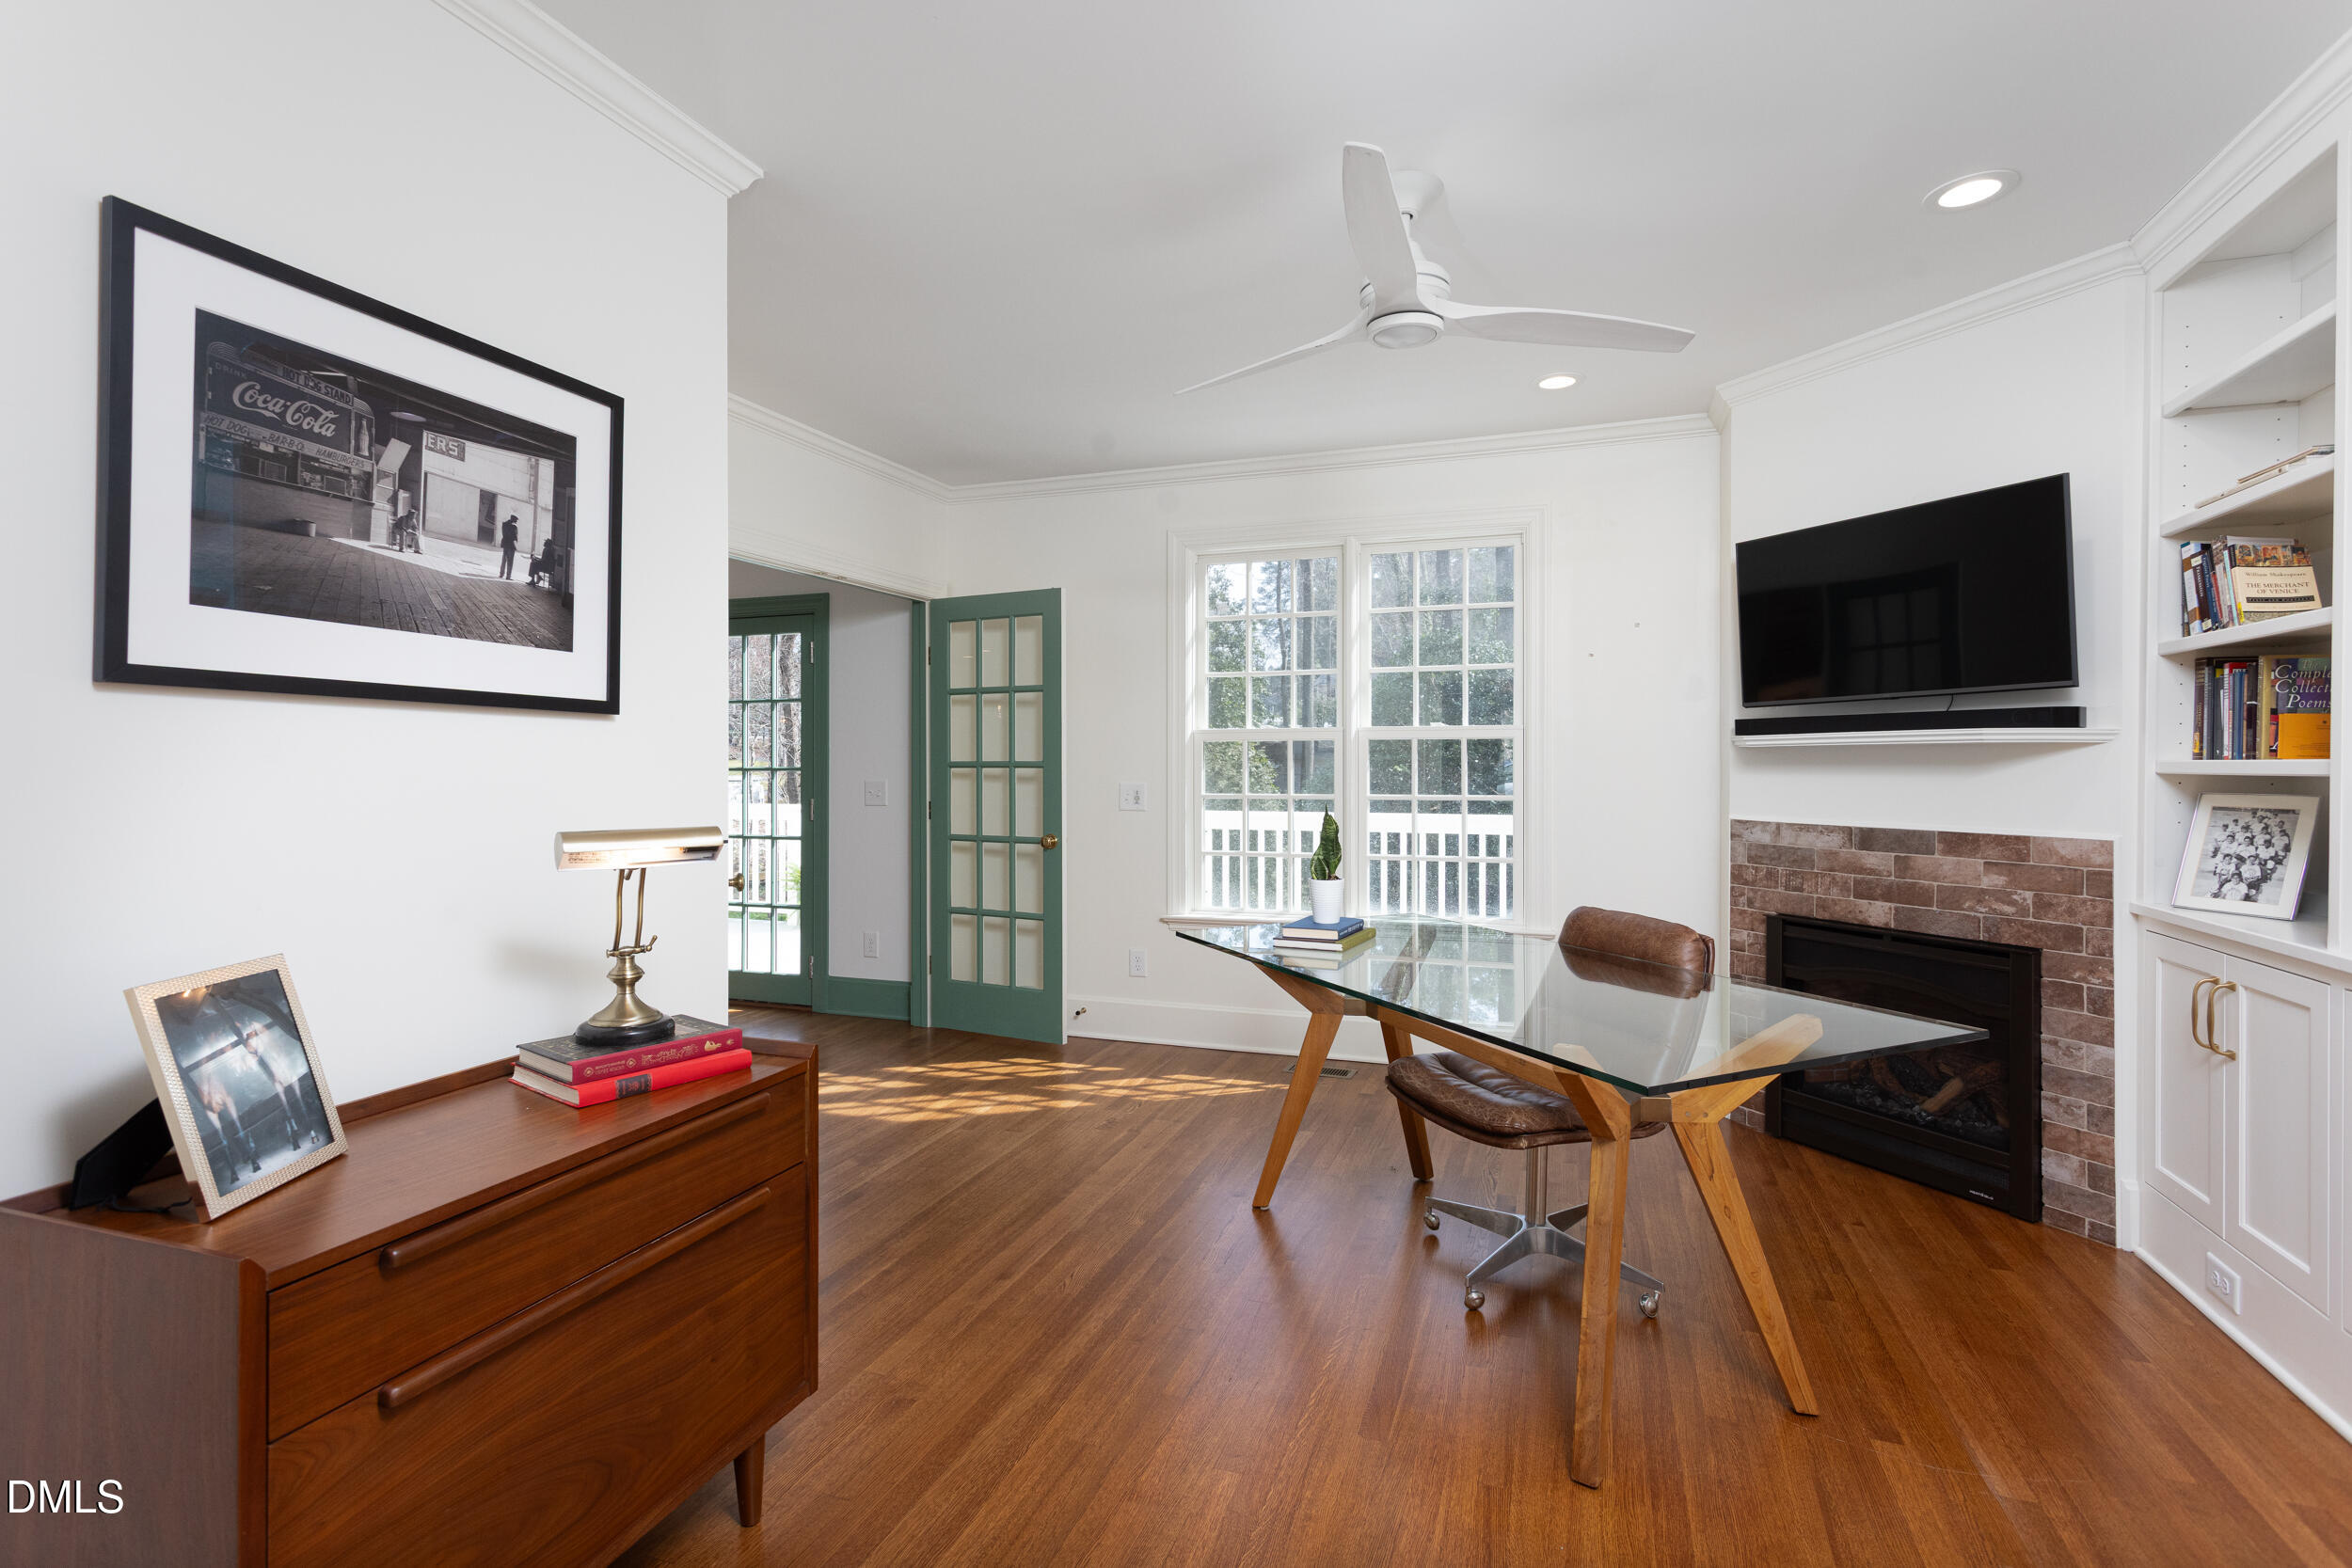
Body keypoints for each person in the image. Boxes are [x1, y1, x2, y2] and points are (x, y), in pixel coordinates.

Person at [499, 515, 520, 579]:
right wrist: (516, 545)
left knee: (504, 560)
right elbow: (515, 537)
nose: (516, 522)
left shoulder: (504, 524)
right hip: (511, 545)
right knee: (510, 561)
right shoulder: (514, 527)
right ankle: (508, 576)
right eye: (516, 521)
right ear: (514, 520)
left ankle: (501, 574)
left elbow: (503, 534)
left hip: (505, 543)